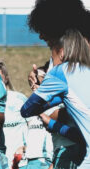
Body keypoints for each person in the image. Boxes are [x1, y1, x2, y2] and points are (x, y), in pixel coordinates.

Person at [21, 29, 90, 169]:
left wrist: (39, 92)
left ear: (62, 52)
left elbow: (26, 110)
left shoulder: (61, 71)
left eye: (51, 51)